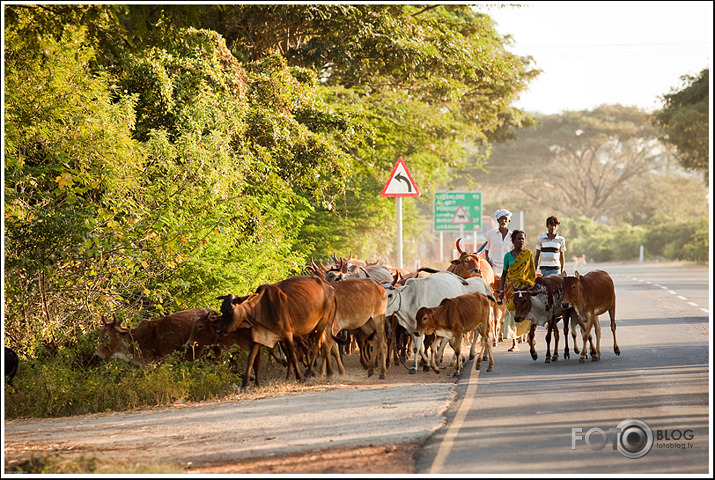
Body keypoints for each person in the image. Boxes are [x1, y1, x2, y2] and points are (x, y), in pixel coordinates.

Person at [499, 230, 536, 351]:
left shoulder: (528, 254)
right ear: (513, 241)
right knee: (512, 311)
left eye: (523, 239)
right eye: (518, 239)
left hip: (525, 287)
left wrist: (531, 286)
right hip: (511, 288)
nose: (521, 241)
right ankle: (515, 342)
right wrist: (501, 291)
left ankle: (530, 336)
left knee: (527, 310)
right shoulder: (508, 256)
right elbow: (504, 274)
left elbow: (531, 273)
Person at [484, 209, 513, 278]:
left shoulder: (512, 236)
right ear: (498, 221)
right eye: (501, 219)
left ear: (509, 221)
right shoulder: (490, 234)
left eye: (505, 219)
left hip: (508, 267)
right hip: (494, 266)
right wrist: (488, 260)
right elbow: (486, 248)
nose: (503, 221)